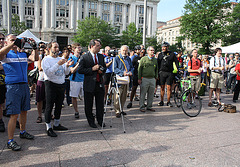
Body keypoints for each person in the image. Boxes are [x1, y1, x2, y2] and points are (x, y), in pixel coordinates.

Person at [0, 34, 38, 151]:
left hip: (24, 86)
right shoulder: (6, 55)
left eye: (15, 40)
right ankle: (10, 140)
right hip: (13, 87)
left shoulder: (22, 54)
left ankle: (22, 131)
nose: (15, 42)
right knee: (13, 114)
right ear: (6, 42)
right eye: (11, 40)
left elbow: (35, 58)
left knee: (24, 111)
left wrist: (35, 47)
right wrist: (14, 43)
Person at [42, 42, 74, 137]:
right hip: (51, 84)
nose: (57, 49)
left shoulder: (61, 59)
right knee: (49, 106)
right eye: (55, 47)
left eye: (58, 47)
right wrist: (58, 64)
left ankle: (56, 124)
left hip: (61, 83)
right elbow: (48, 73)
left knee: (59, 105)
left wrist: (67, 66)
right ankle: (48, 127)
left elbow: (66, 73)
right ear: (49, 49)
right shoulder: (46, 60)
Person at [78, 39, 106, 128]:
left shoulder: (101, 56)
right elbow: (80, 70)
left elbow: (104, 68)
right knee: (89, 104)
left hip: (99, 83)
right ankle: (91, 121)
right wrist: (92, 69)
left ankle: (100, 120)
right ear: (92, 46)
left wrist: (102, 71)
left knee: (100, 104)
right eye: (98, 45)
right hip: (89, 84)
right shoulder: (85, 57)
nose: (100, 47)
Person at [113, 45, 133, 118]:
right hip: (120, 80)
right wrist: (122, 73)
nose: (124, 52)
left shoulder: (128, 59)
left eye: (126, 50)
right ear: (120, 51)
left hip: (126, 79)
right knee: (117, 95)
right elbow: (114, 69)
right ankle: (117, 111)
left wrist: (131, 72)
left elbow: (131, 67)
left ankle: (121, 109)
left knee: (124, 96)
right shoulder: (117, 58)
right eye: (123, 50)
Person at [157, 42, 179, 107]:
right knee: (162, 87)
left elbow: (176, 62)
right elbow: (158, 64)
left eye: (165, 47)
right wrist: (157, 73)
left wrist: (178, 68)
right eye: (162, 47)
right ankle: (161, 101)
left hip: (169, 72)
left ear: (167, 47)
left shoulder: (172, 54)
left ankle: (168, 101)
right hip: (162, 72)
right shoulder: (160, 54)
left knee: (169, 87)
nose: (163, 48)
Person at [138, 46, 158, 112]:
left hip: (152, 79)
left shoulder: (155, 60)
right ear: (147, 51)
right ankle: (142, 106)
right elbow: (139, 69)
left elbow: (156, 69)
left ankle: (149, 106)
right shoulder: (143, 59)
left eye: (153, 50)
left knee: (151, 93)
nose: (152, 52)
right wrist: (139, 78)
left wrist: (156, 77)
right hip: (145, 78)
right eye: (151, 50)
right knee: (143, 93)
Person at [68, 43, 84, 119]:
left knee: (86, 96)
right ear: (74, 49)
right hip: (75, 80)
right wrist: (78, 63)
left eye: (80, 48)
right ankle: (76, 111)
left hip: (83, 80)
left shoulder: (83, 57)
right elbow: (72, 71)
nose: (79, 49)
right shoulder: (71, 58)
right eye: (78, 48)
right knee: (74, 97)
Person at [36, 47, 46, 123]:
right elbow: (40, 68)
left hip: (49, 80)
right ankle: (39, 116)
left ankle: (49, 114)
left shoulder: (53, 58)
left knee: (49, 100)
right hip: (41, 80)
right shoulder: (40, 57)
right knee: (39, 100)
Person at [0, 33, 6, 132]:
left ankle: (0, 121)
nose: (1, 40)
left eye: (2, 38)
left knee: (1, 103)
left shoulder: (6, 52)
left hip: (2, 82)